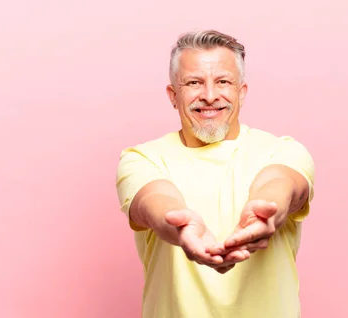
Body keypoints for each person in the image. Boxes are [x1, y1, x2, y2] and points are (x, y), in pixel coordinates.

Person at [116, 29, 316, 318]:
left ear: (241, 92)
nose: (209, 96)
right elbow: (156, 199)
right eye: (194, 82)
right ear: (173, 95)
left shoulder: (284, 151)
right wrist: (181, 228)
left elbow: (279, 183)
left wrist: (266, 211)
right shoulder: (142, 159)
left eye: (222, 82)